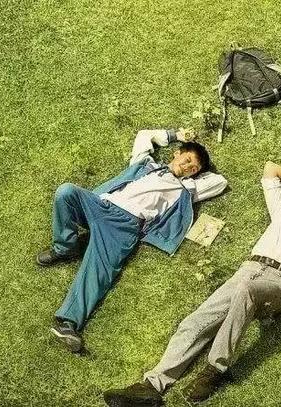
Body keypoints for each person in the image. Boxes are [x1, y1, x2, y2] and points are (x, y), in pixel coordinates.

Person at [103, 161, 281, 406]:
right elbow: (271, 169)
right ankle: (152, 386)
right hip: (246, 271)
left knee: (247, 291)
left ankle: (215, 370)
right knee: (195, 322)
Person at [37, 128, 228, 353]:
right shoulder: (145, 164)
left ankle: (68, 323)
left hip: (124, 227)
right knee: (66, 191)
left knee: (99, 270)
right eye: (186, 160)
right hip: (100, 205)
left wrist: (195, 174)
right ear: (176, 153)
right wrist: (177, 135)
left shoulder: (187, 188)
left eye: (193, 168)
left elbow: (220, 182)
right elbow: (144, 136)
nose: (187, 167)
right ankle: (64, 248)